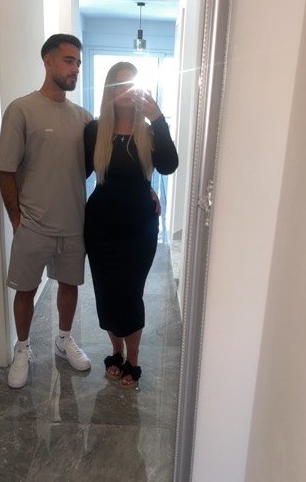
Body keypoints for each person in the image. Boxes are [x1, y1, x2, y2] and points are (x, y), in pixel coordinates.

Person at [0, 34, 93, 388]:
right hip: (33, 225)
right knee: (25, 290)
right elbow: (6, 170)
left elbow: (90, 166)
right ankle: (23, 349)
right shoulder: (22, 109)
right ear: (48, 61)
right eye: (69, 60)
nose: (75, 68)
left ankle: (64, 340)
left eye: (78, 62)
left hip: (73, 223)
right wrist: (16, 219)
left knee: (70, 286)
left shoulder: (84, 118)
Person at [84, 62, 179, 388]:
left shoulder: (149, 133)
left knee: (130, 294)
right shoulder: (94, 131)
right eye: (119, 84)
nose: (126, 91)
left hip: (139, 229)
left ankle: (133, 360)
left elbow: (169, 165)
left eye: (132, 84)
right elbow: (74, 172)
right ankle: (116, 351)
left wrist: (159, 118)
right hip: (99, 227)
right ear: (109, 90)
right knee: (106, 293)